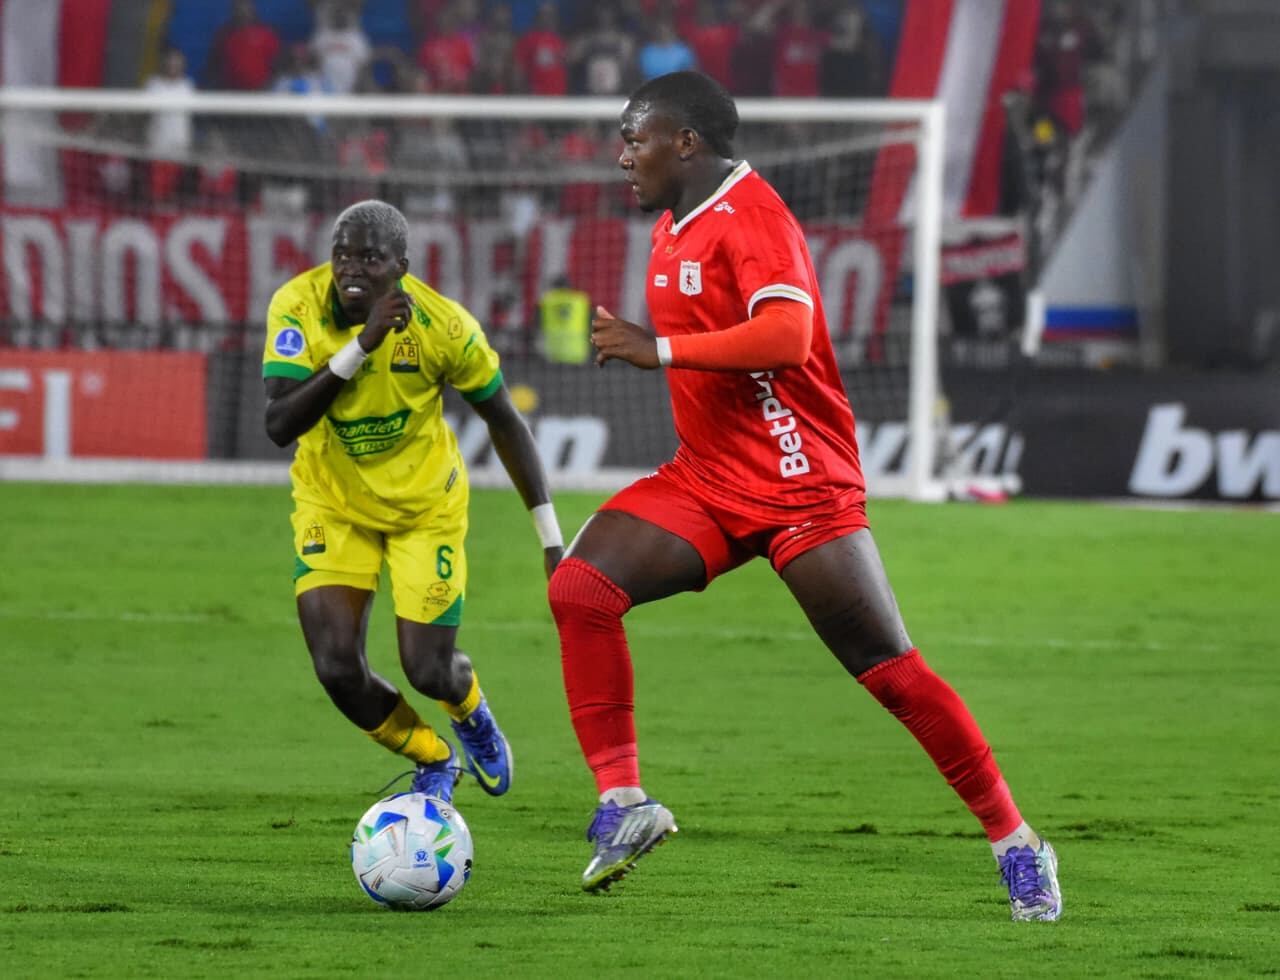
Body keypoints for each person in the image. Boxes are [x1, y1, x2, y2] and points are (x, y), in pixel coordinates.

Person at [545, 71, 1063, 922]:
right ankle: (625, 804)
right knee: (581, 588)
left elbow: (788, 336)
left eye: (636, 137)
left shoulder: (755, 219)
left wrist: (658, 353)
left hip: (798, 484)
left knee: (891, 674)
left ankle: (1017, 844)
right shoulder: (673, 222)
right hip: (707, 477)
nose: (621, 154)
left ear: (689, 142)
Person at [263, 200, 564, 804]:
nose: (352, 268)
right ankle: (433, 759)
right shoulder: (295, 305)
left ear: (401, 266)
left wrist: (551, 539)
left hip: (425, 512)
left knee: (428, 670)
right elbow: (280, 422)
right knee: (336, 668)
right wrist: (362, 345)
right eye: (342, 253)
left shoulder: (445, 326)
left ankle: (471, 710)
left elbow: (505, 421)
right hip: (333, 504)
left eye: (370, 257)